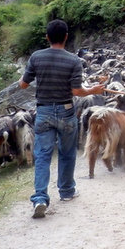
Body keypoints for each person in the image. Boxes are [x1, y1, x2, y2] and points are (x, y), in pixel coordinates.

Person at [19, 19, 105, 219]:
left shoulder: (36, 57)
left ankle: (40, 198)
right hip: (67, 111)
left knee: (42, 156)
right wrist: (94, 90)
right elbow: (77, 91)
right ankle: (66, 191)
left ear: (47, 37)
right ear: (66, 37)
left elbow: (23, 85)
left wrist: (23, 79)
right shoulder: (73, 61)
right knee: (67, 153)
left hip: (44, 112)